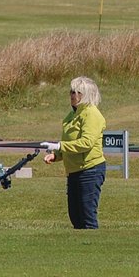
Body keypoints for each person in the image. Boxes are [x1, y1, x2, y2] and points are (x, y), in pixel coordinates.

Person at [41, 76, 108, 229]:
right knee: (75, 216)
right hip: (73, 171)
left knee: (87, 216)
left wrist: (59, 146)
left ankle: (92, 247)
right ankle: (80, 249)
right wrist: (56, 155)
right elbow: (69, 141)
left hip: (90, 170)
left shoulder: (91, 114)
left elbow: (86, 143)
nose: (72, 95)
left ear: (86, 95)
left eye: (76, 92)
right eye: (71, 91)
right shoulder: (71, 115)